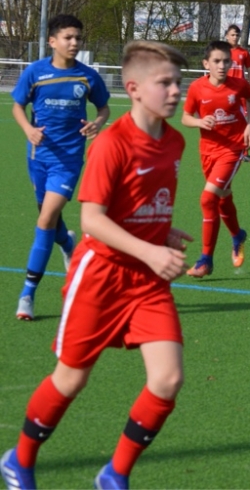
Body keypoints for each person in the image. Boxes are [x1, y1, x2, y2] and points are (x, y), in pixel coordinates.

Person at [0, 41, 192, 490]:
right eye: (165, 83)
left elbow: (139, 203)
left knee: (168, 379)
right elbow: (92, 220)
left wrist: (161, 231)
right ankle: (19, 461)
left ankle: (114, 474)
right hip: (100, 276)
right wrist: (150, 250)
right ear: (134, 89)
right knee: (71, 379)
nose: (175, 92)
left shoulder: (175, 141)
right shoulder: (112, 143)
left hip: (147, 281)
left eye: (178, 83)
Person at [11, 14, 111, 322]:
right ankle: (67, 244)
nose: (74, 43)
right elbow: (18, 105)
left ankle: (27, 294)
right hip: (38, 158)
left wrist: (97, 123)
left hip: (68, 160)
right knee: (49, 217)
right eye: (68, 37)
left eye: (78, 38)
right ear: (52, 41)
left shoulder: (87, 76)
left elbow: (103, 107)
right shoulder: (35, 72)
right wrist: (28, 129)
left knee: (45, 219)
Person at [182, 41, 250, 278]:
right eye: (216, 61)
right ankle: (237, 235)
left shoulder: (239, 85)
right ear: (206, 64)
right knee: (223, 198)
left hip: (232, 149)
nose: (222, 65)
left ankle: (205, 260)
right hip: (207, 151)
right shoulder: (197, 88)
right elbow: (185, 117)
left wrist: (249, 126)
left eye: (226, 61)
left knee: (208, 198)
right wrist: (199, 122)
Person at [224, 24, 250, 163]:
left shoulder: (244, 53)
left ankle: (245, 153)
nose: (235, 37)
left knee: (243, 123)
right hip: (225, 92)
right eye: (232, 35)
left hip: (241, 93)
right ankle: (225, 150)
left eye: (237, 35)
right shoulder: (222, 52)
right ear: (227, 36)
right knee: (224, 122)